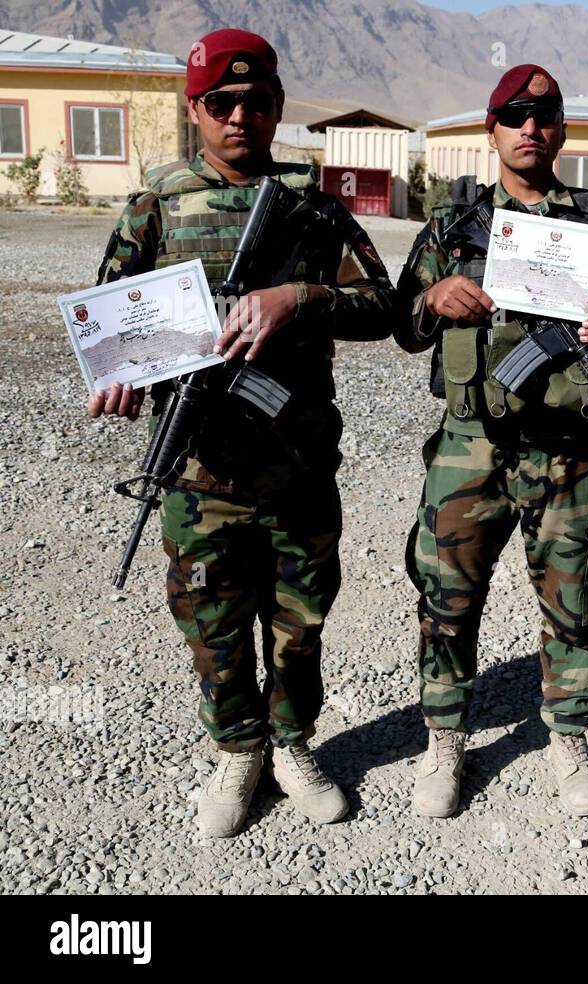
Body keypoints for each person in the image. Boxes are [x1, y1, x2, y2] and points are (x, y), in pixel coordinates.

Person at [88, 28, 397, 837]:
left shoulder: (311, 206)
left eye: (256, 102)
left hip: (296, 463)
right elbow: (113, 321)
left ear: (277, 108)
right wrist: (118, 377)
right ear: (196, 111)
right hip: (199, 468)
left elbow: (388, 309)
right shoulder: (157, 204)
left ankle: (292, 743)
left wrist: (301, 297)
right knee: (213, 624)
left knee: (300, 624)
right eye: (220, 103)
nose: (239, 117)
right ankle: (239, 749)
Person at [395, 64, 588, 819]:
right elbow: (400, 323)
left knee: (575, 597)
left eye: (544, 115)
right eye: (514, 115)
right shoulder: (451, 228)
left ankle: (569, 734)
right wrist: (430, 297)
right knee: (447, 595)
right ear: (492, 130)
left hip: (568, 446)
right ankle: (445, 736)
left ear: (561, 130)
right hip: (469, 443)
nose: (530, 127)